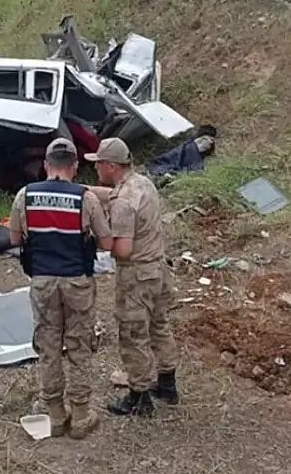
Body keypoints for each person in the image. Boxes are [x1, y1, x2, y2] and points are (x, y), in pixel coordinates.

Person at [8, 138, 113, 439]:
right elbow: (106, 243)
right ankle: (80, 415)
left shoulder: (24, 195)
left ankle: (54, 414)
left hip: (42, 281)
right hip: (77, 281)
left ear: (46, 165)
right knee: (79, 347)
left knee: (48, 347)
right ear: (75, 167)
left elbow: (15, 239)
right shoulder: (86, 198)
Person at [85, 137, 180, 416]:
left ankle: (138, 397)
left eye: (99, 164)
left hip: (136, 275)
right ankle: (167, 383)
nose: (96, 169)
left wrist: (99, 237)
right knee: (159, 325)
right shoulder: (142, 183)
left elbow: (123, 250)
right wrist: (86, 192)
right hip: (158, 270)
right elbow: (114, 196)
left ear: (111, 165)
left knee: (133, 335)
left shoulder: (124, 203)